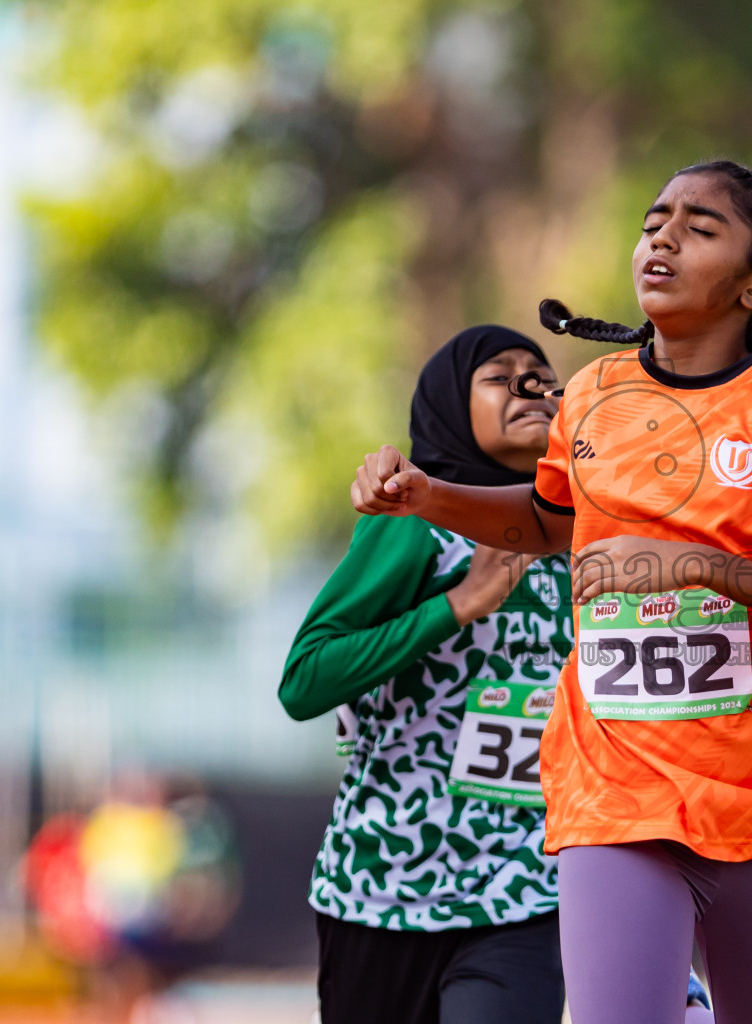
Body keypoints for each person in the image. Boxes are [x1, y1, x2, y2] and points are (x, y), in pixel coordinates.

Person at [349, 160, 752, 1024]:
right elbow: (550, 522)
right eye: (656, 219)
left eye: (701, 226)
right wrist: (434, 496)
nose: (662, 236)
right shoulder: (594, 394)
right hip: (616, 789)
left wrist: (702, 566)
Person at [280, 326, 573, 1024]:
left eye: (543, 374)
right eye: (502, 376)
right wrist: (456, 606)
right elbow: (305, 681)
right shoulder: (416, 523)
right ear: (449, 406)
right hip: (383, 886)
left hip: (528, 890)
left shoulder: (586, 528)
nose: (532, 387)